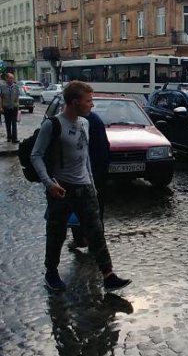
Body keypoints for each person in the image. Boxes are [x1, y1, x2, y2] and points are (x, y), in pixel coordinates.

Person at [30, 79, 131, 293]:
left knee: (96, 232)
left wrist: (92, 185)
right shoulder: (53, 124)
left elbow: (85, 158)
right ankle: (51, 273)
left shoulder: (85, 123)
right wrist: (49, 184)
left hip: (85, 187)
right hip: (61, 188)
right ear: (75, 102)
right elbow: (36, 155)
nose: (91, 105)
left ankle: (108, 275)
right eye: (88, 101)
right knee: (56, 233)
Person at [69, 106, 110, 250]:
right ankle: (87, 240)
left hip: (90, 172)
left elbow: (102, 148)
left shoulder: (92, 120)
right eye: (88, 100)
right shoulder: (69, 121)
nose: (91, 104)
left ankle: (91, 241)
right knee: (86, 209)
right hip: (82, 173)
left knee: (91, 209)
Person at [0, 72, 20, 143]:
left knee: (14, 123)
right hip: (6, 107)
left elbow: (17, 97)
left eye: (12, 78)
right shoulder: (2, 87)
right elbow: (1, 98)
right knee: (8, 123)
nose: (11, 80)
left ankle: (14, 138)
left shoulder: (16, 87)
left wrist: (17, 105)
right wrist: (1, 107)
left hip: (14, 108)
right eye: (10, 78)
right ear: (7, 79)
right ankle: (9, 137)